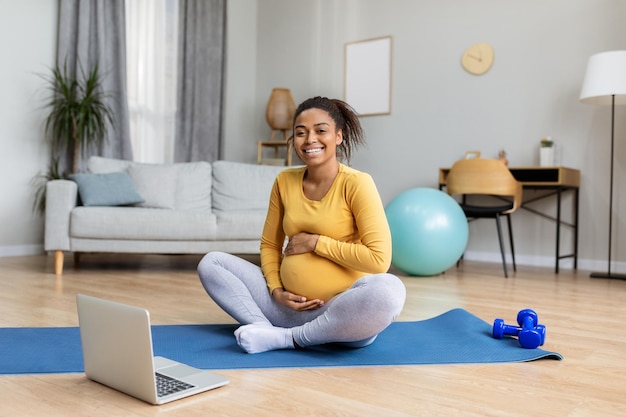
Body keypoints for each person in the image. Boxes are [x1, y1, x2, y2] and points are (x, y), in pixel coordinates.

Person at [197, 96, 406, 354]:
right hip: (283, 309)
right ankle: (266, 329)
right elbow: (270, 244)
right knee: (212, 263)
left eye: (320, 130)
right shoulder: (284, 180)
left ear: (338, 136)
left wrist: (316, 243)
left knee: (389, 291)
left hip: (339, 316)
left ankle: (286, 339)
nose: (309, 140)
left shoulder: (357, 183)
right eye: (300, 133)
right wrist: (275, 290)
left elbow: (378, 260)